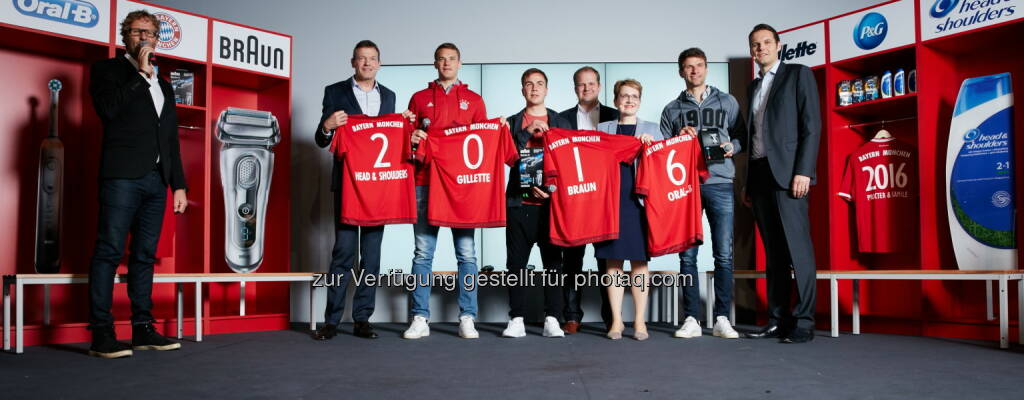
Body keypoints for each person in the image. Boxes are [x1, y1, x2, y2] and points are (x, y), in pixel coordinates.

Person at [86, 10, 188, 358]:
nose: (144, 38)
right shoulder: (108, 71)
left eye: (150, 33)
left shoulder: (165, 86)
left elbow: (171, 139)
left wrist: (179, 185)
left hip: (155, 182)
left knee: (144, 256)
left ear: (157, 38)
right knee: (109, 252)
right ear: (124, 36)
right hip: (121, 178)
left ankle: (143, 329)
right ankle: (101, 333)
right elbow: (107, 110)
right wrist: (139, 76)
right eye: (136, 32)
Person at [403, 43, 488, 339]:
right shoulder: (419, 98)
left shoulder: (475, 100)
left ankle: (467, 316)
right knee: (422, 253)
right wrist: (409, 134)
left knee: (466, 254)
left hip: (462, 189)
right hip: (425, 183)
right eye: (441, 59)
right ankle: (419, 317)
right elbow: (406, 142)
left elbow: (483, 144)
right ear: (435, 64)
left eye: (452, 59)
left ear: (460, 63)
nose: (447, 63)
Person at [312, 40, 396, 341]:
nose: (367, 64)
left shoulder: (389, 96)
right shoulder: (334, 92)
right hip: (348, 185)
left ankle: (362, 319)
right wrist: (327, 125)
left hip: (379, 189)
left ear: (379, 63)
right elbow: (322, 141)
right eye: (362, 59)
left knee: (371, 257)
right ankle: (332, 321)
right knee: (343, 254)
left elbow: (391, 139)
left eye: (372, 59)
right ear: (353, 62)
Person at [660, 48, 746, 339]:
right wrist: (677, 139)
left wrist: (732, 147)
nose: (694, 71)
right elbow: (662, 152)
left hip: (720, 182)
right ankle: (692, 319)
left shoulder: (727, 101)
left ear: (706, 69)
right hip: (685, 186)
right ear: (680, 71)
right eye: (688, 67)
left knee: (723, 253)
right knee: (687, 256)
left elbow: (741, 137)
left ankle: (722, 317)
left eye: (698, 66)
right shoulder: (672, 109)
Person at [743, 24, 822, 343]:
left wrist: (804, 171)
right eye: (755, 44)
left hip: (790, 175)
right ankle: (778, 317)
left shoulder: (797, 74)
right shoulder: (753, 87)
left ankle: (804, 321)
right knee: (773, 252)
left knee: (797, 249)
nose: (760, 48)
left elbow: (811, 127)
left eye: (765, 42)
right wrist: (748, 182)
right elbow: (753, 137)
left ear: (778, 45)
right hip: (760, 174)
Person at [502, 68, 571, 338]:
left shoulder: (562, 122)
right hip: (519, 203)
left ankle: (552, 317)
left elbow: (568, 162)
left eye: (539, 84)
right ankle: (516, 318)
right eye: (529, 84)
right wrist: (525, 132)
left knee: (553, 263)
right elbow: (506, 158)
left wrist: (552, 189)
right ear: (522, 90)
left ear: (547, 89)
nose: (534, 88)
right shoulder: (510, 122)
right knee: (515, 264)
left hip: (551, 205)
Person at [595, 79, 662, 340]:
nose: (629, 100)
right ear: (615, 100)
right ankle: (616, 321)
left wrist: (651, 148)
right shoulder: (603, 129)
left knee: (639, 262)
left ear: (640, 101)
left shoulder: (653, 129)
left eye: (634, 96)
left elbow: (663, 167)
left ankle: (640, 321)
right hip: (610, 202)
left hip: (639, 203)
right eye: (624, 96)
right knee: (612, 263)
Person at [558, 66, 619, 333]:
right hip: (574, 199)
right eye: (581, 85)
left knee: (606, 259)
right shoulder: (561, 120)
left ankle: (611, 317)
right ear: (575, 88)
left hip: (604, 196)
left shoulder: (614, 116)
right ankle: (572, 315)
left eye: (591, 84)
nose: (587, 88)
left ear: (599, 86)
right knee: (572, 259)